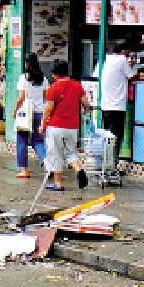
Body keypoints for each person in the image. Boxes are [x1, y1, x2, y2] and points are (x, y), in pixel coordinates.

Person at [39, 59, 88, 192]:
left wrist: (42, 124)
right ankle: (79, 169)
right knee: (71, 152)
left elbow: (48, 109)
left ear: (54, 74)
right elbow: (85, 103)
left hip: (56, 125)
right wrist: (84, 110)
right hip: (72, 127)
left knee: (56, 154)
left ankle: (58, 183)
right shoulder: (77, 85)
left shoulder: (53, 88)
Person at [95, 42, 136, 177]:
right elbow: (132, 76)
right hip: (117, 107)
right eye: (128, 51)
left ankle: (105, 165)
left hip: (106, 106)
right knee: (116, 137)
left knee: (107, 136)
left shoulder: (106, 59)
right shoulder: (122, 59)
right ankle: (112, 166)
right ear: (124, 51)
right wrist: (133, 65)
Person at [10, 56, 46, 180]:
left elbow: (21, 98)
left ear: (26, 64)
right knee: (38, 140)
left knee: (21, 141)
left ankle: (23, 170)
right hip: (40, 112)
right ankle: (46, 162)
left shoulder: (23, 78)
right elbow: (45, 98)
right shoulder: (44, 79)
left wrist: (15, 110)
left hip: (25, 114)